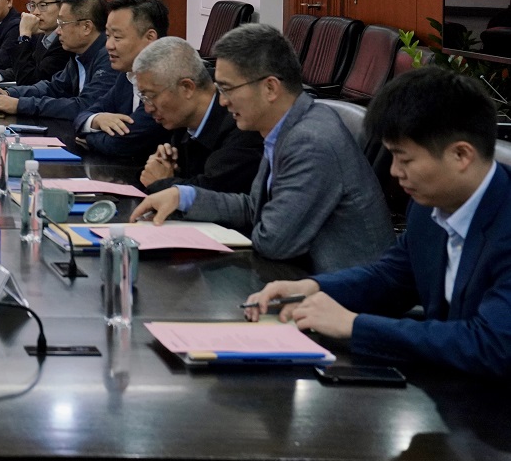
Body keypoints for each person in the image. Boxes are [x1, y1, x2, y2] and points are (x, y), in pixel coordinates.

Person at [244, 67, 511, 376]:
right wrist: (313, 288)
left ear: (461, 155)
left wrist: (354, 326)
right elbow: (391, 279)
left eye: (405, 159)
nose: (394, 171)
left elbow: (492, 344)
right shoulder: (428, 208)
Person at [129, 23, 393, 273]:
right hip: (299, 277)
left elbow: (273, 241)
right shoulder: (285, 127)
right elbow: (254, 207)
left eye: (228, 89)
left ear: (270, 88)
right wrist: (182, 196)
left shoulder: (310, 141)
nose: (222, 101)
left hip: (339, 292)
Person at [131, 36, 261, 193]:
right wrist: (158, 166)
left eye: (151, 96)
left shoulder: (241, 123)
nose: (148, 108)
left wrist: (162, 183)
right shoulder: (182, 120)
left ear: (187, 87)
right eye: (144, 99)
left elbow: (214, 193)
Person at [0, 0, 117, 119]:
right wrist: (10, 93)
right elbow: (53, 87)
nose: (58, 31)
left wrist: (19, 105)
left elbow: (84, 106)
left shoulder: (109, 57)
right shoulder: (78, 55)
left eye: (62, 23)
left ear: (86, 27)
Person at [73, 0, 169, 163]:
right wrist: (96, 120)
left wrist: (88, 137)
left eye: (117, 37)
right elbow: (83, 115)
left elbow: (122, 144)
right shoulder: (127, 75)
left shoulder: (164, 81)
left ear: (150, 38)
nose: (108, 45)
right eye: (108, 36)